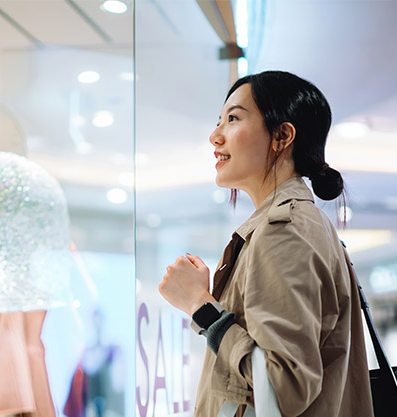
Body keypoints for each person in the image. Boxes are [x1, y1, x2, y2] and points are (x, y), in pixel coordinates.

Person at [158, 71, 374, 417]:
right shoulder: (297, 224)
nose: (215, 136)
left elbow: (283, 386)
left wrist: (201, 306)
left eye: (233, 119)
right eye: (219, 121)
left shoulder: (284, 231)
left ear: (282, 136)